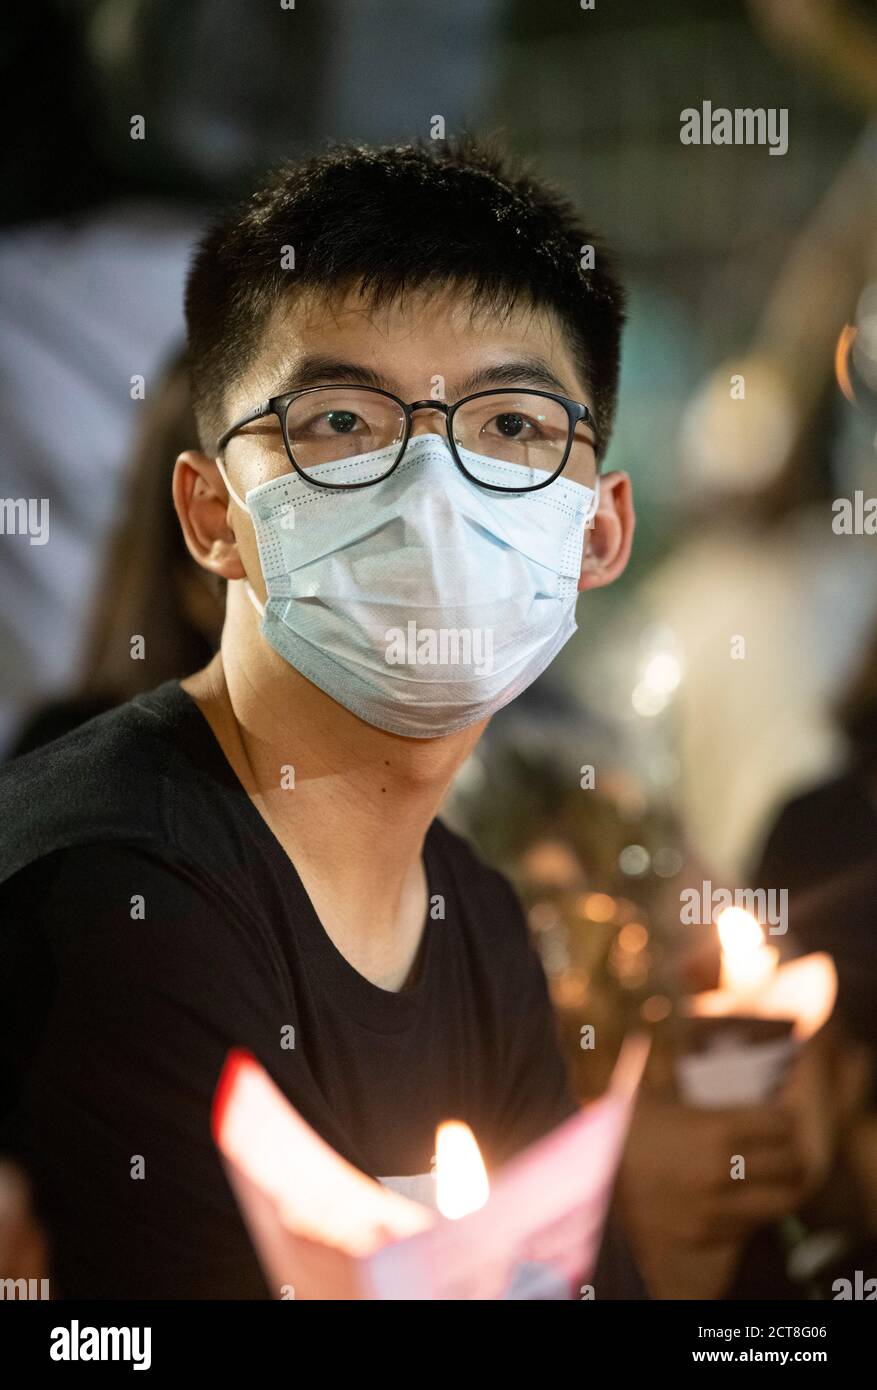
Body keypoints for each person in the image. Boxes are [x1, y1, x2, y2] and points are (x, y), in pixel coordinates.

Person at [0, 137, 636, 1298]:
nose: (434, 496)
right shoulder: (114, 893)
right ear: (212, 517)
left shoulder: (478, 920)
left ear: (597, 531)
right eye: (342, 423)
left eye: (511, 426)